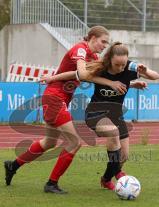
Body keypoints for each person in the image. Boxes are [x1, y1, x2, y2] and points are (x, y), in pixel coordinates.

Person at [4, 26, 127, 194]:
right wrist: (108, 82)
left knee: (49, 142)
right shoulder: (80, 50)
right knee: (74, 142)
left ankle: (13, 165)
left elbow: (92, 75)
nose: (105, 45)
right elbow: (83, 75)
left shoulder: (91, 56)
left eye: (107, 42)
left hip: (59, 99)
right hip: (55, 98)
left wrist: (130, 82)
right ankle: (51, 184)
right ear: (92, 38)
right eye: (102, 41)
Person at [84, 41, 159, 190]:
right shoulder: (101, 68)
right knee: (113, 133)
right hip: (95, 113)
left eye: (123, 65)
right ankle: (117, 172)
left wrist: (144, 71)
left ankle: (106, 179)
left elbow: (155, 76)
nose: (120, 68)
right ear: (110, 59)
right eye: (117, 65)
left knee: (123, 156)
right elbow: (82, 75)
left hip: (116, 115)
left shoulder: (130, 68)